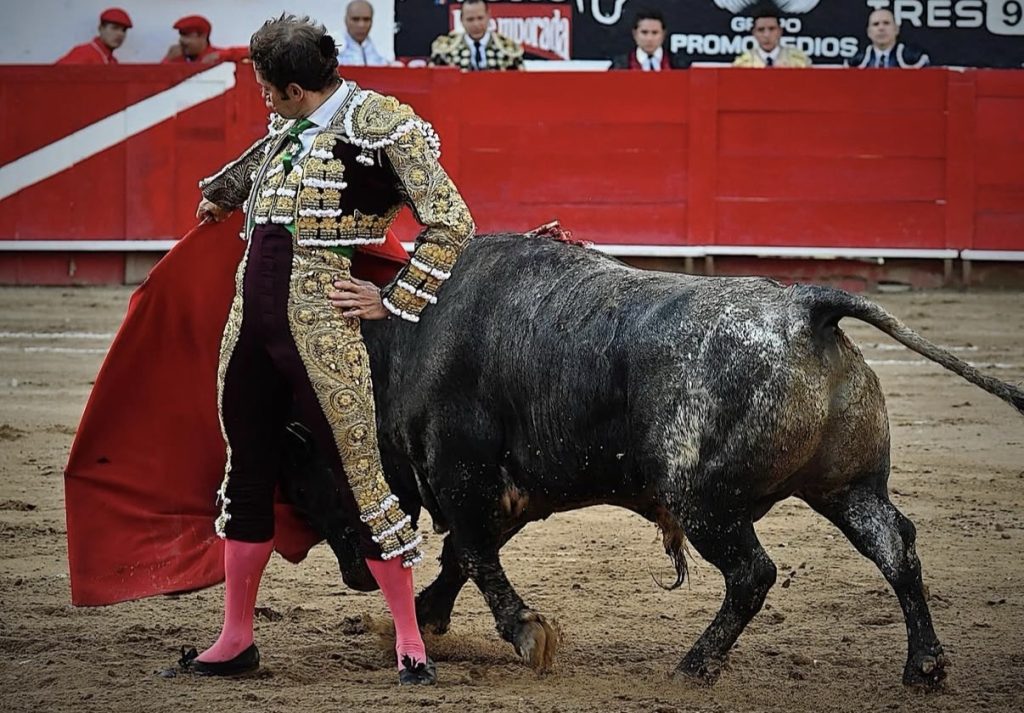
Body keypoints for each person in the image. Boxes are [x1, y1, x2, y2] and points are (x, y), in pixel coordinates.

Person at [178, 13, 474, 685]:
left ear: (290, 87)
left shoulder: (385, 127)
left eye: (265, 89)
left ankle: (409, 640)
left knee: (361, 476)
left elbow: (453, 220)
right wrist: (226, 195)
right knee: (246, 468)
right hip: (250, 320)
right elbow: (270, 153)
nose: (263, 102)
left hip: (323, 328)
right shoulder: (292, 118)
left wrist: (393, 298)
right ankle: (235, 638)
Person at [430, 0, 524, 71]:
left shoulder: (508, 50)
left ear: (488, 16)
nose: (476, 24)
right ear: (461, 19)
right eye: (470, 19)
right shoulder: (444, 50)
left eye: (480, 18)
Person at [733, 2, 811, 68]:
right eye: (761, 30)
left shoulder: (799, 62)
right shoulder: (742, 64)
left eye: (772, 29)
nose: (766, 35)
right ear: (754, 33)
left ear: (780, 31)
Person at [847, 9, 930, 69]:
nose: (881, 28)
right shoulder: (856, 62)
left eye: (886, 23)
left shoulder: (914, 59)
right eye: (876, 24)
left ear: (896, 29)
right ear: (869, 32)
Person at [611, 9, 688, 70]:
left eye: (655, 33)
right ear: (635, 34)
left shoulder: (679, 65)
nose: (649, 38)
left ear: (663, 34)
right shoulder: (620, 66)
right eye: (644, 32)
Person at [56, 7, 132, 65]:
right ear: (101, 29)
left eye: (124, 30)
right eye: (114, 28)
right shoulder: (84, 52)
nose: (120, 34)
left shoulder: (113, 61)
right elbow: (53, 78)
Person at [162, 15, 249, 64]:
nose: (181, 40)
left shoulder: (218, 56)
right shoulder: (176, 58)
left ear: (203, 36)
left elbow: (255, 51)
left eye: (187, 36)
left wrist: (222, 55)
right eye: (181, 36)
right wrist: (168, 59)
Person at [338, 0, 391, 66]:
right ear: (346, 20)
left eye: (366, 19)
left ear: (372, 21)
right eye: (355, 19)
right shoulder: (332, 51)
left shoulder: (384, 53)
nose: (361, 25)